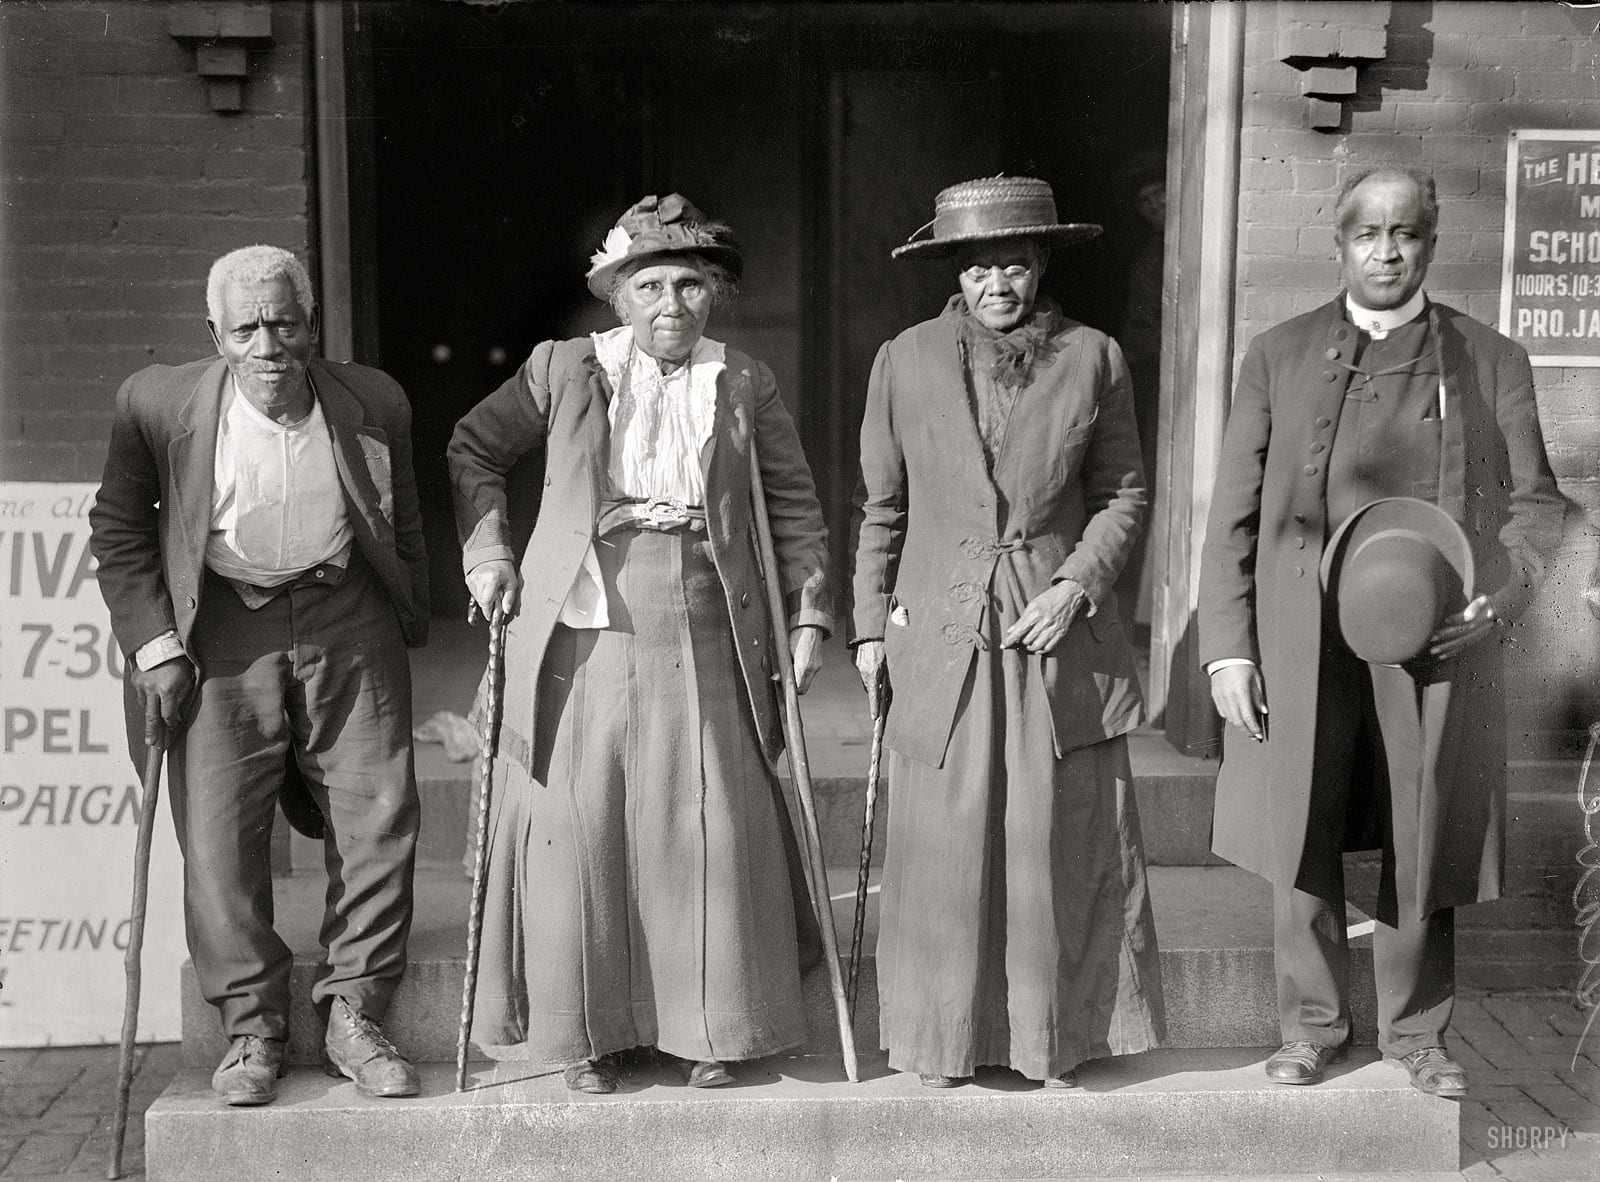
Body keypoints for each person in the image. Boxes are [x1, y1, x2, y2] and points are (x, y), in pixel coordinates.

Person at [449, 193, 832, 1093]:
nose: (672, 304)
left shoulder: (744, 381)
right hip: (583, 621)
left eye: (691, 286)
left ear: (715, 296)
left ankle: (712, 1028)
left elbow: (794, 504)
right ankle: (586, 1035)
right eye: (650, 284)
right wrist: (490, 550)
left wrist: (809, 614)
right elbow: (473, 450)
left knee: (704, 819)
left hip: (704, 619)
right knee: (581, 823)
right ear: (616, 296)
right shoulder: (563, 368)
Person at [1199, 166, 1563, 1097]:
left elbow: (1539, 507)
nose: (1388, 250)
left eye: (1406, 233)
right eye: (1369, 233)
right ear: (1340, 246)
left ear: (1433, 245)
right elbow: (1232, 517)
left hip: (1438, 631)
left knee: (1424, 819)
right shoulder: (1277, 355)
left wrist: (1504, 595)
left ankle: (1416, 1036)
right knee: (1301, 819)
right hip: (1300, 632)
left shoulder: (1490, 359)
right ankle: (1312, 1026)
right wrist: (1230, 648)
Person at [90, 245, 429, 1106]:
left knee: (378, 811)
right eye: (247, 327)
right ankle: (251, 1030)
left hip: (343, 609)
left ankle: (355, 1009)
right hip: (220, 625)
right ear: (215, 335)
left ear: (312, 325)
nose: (268, 344)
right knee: (217, 837)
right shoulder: (156, 406)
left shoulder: (373, 399)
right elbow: (120, 531)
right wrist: (155, 645)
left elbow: (404, 510)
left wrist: (405, 608)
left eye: (285, 322)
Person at [851, 176, 1166, 1089]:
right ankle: (941, 1042)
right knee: (945, 840)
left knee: (1051, 837)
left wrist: (1076, 585)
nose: (1001, 283)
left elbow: (1123, 495)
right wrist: (870, 630)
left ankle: (1051, 1040)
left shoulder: (1094, 356)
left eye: (1019, 264)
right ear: (957, 270)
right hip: (941, 625)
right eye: (983, 264)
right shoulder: (903, 359)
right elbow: (882, 507)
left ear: (1042, 267)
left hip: (1048, 623)